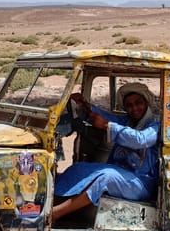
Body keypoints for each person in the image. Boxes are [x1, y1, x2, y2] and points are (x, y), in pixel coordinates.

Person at [51, 82, 160, 221]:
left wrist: (107, 125)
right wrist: (86, 106)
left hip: (141, 183)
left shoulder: (155, 124)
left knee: (106, 178)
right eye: (129, 105)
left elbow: (140, 139)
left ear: (146, 102)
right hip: (123, 175)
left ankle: (55, 214)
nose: (134, 108)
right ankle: (49, 203)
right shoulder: (128, 121)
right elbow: (106, 117)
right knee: (79, 168)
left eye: (138, 103)